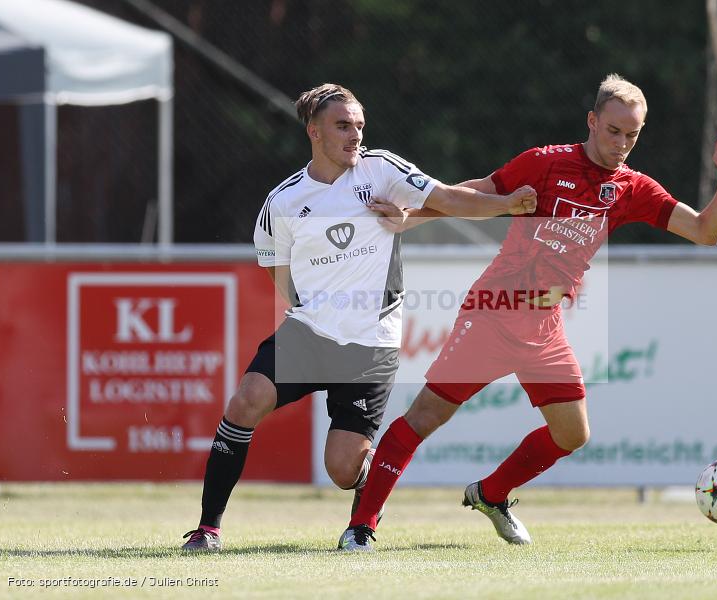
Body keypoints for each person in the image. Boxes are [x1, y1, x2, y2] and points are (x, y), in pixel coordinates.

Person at [338, 73, 717, 551]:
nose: (622, 144)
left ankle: (491, 495)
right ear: (593, 121)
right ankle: (361, 527)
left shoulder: (631, 188)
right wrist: (413, 215)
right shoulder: (545, 162)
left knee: (572, 433)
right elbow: (478, 189)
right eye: (614, 131)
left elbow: (705, 231)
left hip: (544, 326)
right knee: (426, 416)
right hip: (494, 312)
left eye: (632, 135)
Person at [181, 83, 537, 551]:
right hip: (311, 333)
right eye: (343, 126)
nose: (355, 135)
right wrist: (313, 307)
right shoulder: (284, 202)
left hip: (372, 344)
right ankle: (208, 529)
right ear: (314, 132)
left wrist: (504, 206)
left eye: (360, 126)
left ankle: (366, 491)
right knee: (246, 400)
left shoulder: (380, 169)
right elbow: (274, 266)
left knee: (342, 469)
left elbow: (448, 197)